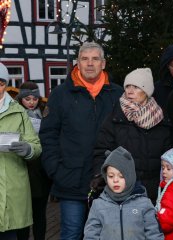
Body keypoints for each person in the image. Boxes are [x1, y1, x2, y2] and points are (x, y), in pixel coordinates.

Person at [39, 42, 123, 240]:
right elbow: (48, 135)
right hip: (70, 182)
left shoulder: (117, 94)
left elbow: (126, 135)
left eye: (95, 59)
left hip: (108, 182)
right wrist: (56, 170)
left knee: (106, 235)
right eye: (85, 59)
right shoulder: (60, 94)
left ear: (103, 63)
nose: (90, 64)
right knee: (71, 234)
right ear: (77, 63)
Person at [92, 68, 170, 203]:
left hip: (154, 193)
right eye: (127, 86)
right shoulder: (115, 117)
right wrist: (100, 175)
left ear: (146, 91)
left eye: (136, 87)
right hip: (122, 191)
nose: (130, 91)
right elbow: (101, 150)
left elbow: (168, 156)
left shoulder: (160, 119)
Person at [84, 146, 164, 240]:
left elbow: (154, 234)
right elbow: (90, 236)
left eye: (121, 176)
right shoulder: (98, 205)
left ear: (130, 176)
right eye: (110, 176)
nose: (115, 180)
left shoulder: (144, 204)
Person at [0, 63, 41, 239]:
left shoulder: (19, 112)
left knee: (10, 235)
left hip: (12, 189)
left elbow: (36, 145)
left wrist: (28, 149)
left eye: (0, 83)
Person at [15, 81, 51, 240]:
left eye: (34, 99)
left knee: (39, 212)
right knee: (22, 213)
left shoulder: (46, 113)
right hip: (21, 169)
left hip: (41, 171)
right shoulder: (15, 114)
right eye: (27, 99)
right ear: (20, 99)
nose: (31, 102)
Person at [155, 146, 173, 240]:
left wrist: (156, 222)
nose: (164, 172)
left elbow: (169, 217)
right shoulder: (170, 186)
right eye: (163, 168)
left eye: (168, 168)